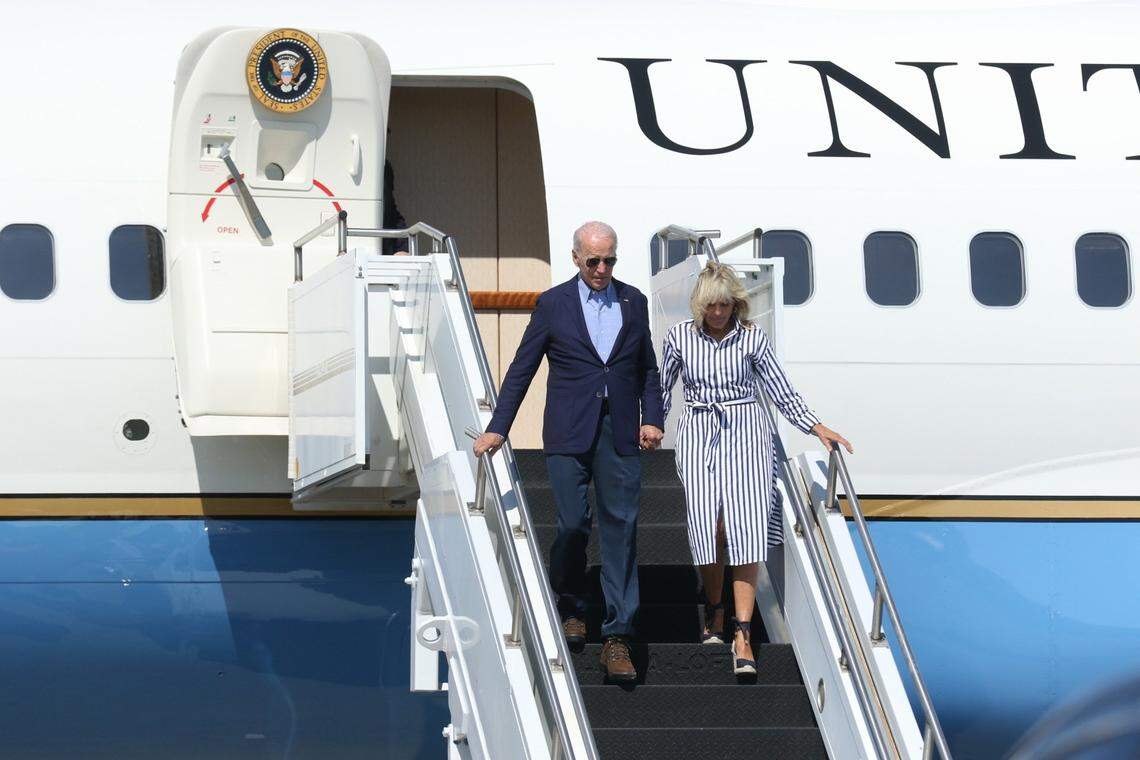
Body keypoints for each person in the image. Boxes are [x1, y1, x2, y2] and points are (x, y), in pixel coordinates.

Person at [472, 221, 664, 682]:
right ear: (576, 257)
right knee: (574, 524)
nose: (602, 269)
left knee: (622, 528)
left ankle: (617, 636)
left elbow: (647, 369)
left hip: (619, 433)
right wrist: (499, 427)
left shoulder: (633, 301)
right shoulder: (553, 303)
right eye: (594, 260)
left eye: (610, 260)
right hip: (567, 432)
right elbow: (522, 368)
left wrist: (652, 417)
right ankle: (571, 601)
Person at [660, 262, 851, 676]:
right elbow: (662, 388)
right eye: (712, 306)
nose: (718, 313)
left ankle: (742, 632)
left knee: (746, 528)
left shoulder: (752, 338)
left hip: (746, 431)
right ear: (700, 305)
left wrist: (816, 426)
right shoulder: (678, 337)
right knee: (710, 525)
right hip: (698, 432)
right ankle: (715, 607)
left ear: (736, 303)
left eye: (726, 305)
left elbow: (780, 389)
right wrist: (650, 427)